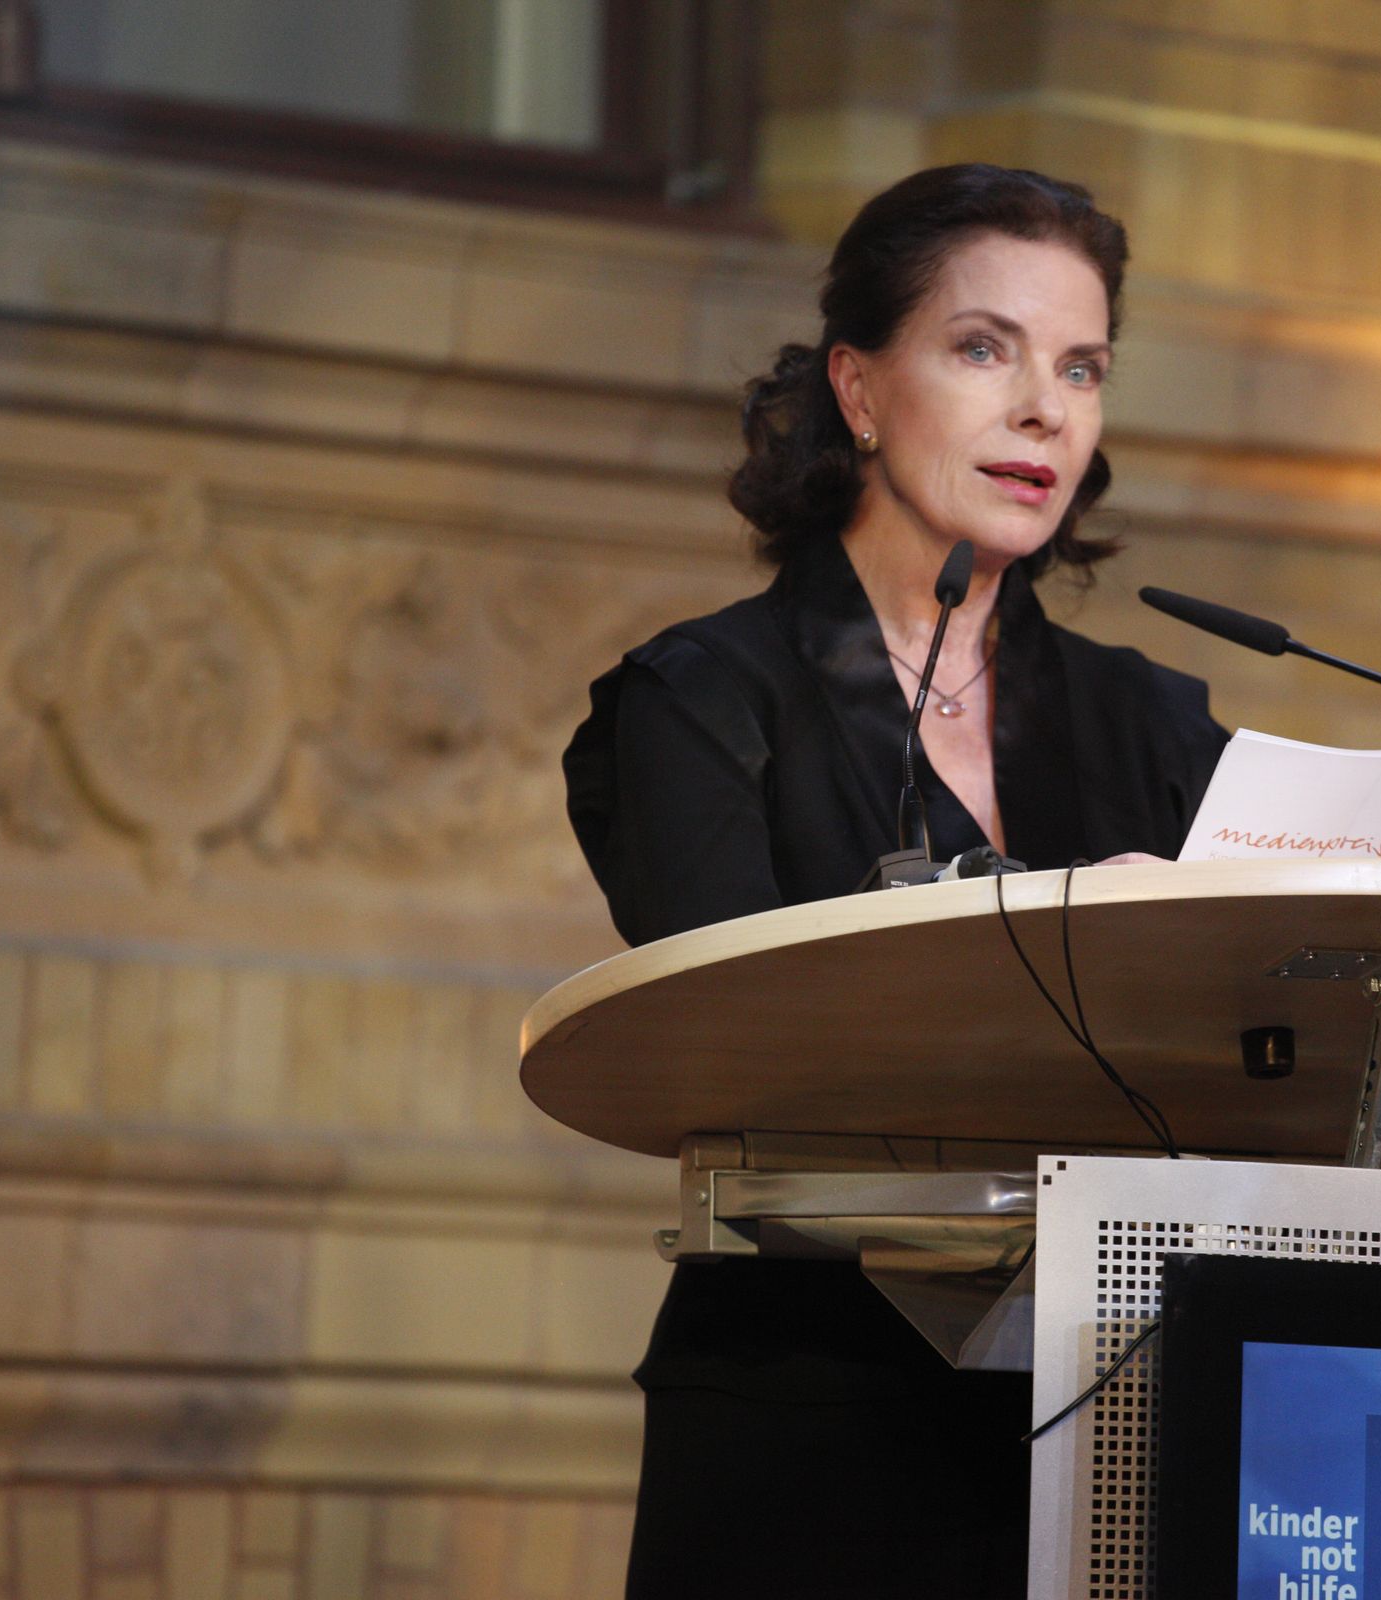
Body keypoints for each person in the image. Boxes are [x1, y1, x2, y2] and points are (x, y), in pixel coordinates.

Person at [562, 163, 1227, 1599]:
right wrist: (1075, 939)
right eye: (985, 349)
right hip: (815, 1421)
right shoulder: (701, 704)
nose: (1045, 408)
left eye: (1083, 367)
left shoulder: (1154, 724)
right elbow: (744, 1039)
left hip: (1125, 1405)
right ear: (860, 391)